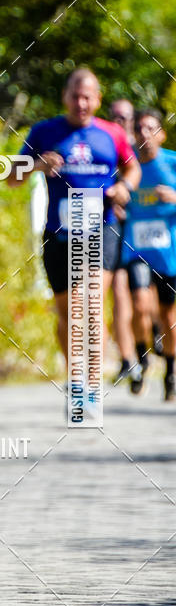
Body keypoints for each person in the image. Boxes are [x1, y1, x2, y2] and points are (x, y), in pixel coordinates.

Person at [8, 68, 141, 398]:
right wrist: (36, 165)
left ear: (97, 99)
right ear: (65, 96)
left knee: (92, 304)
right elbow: (11, 177)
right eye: (75, 96)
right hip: (59, 233)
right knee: (67, 313)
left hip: (101, 229)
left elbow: (132, 167)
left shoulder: (112, 134)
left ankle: (92, 384)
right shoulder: (44, 132)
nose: (81, 103)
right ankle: (76, 380)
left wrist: (124, 186)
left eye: (88, 97)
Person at [122, 109, 176, 401]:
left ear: (161, 134)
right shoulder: (127, 163)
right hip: (136, 250)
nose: (144, 133)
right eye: (139, 128)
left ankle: (170, 372)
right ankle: (142, 359)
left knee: (169, 317)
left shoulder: (172, 163)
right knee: (139, 305)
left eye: (151, 128)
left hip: (168, 253)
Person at [108, 99, 142, 390]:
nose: (120, 120)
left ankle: (148, 343)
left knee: (146, 301)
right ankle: (128, 358)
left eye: (125, 116)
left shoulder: (141, 147)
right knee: (119, 293)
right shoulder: (107, 143)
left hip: (145, 235)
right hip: (117, 230)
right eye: (115, 116)